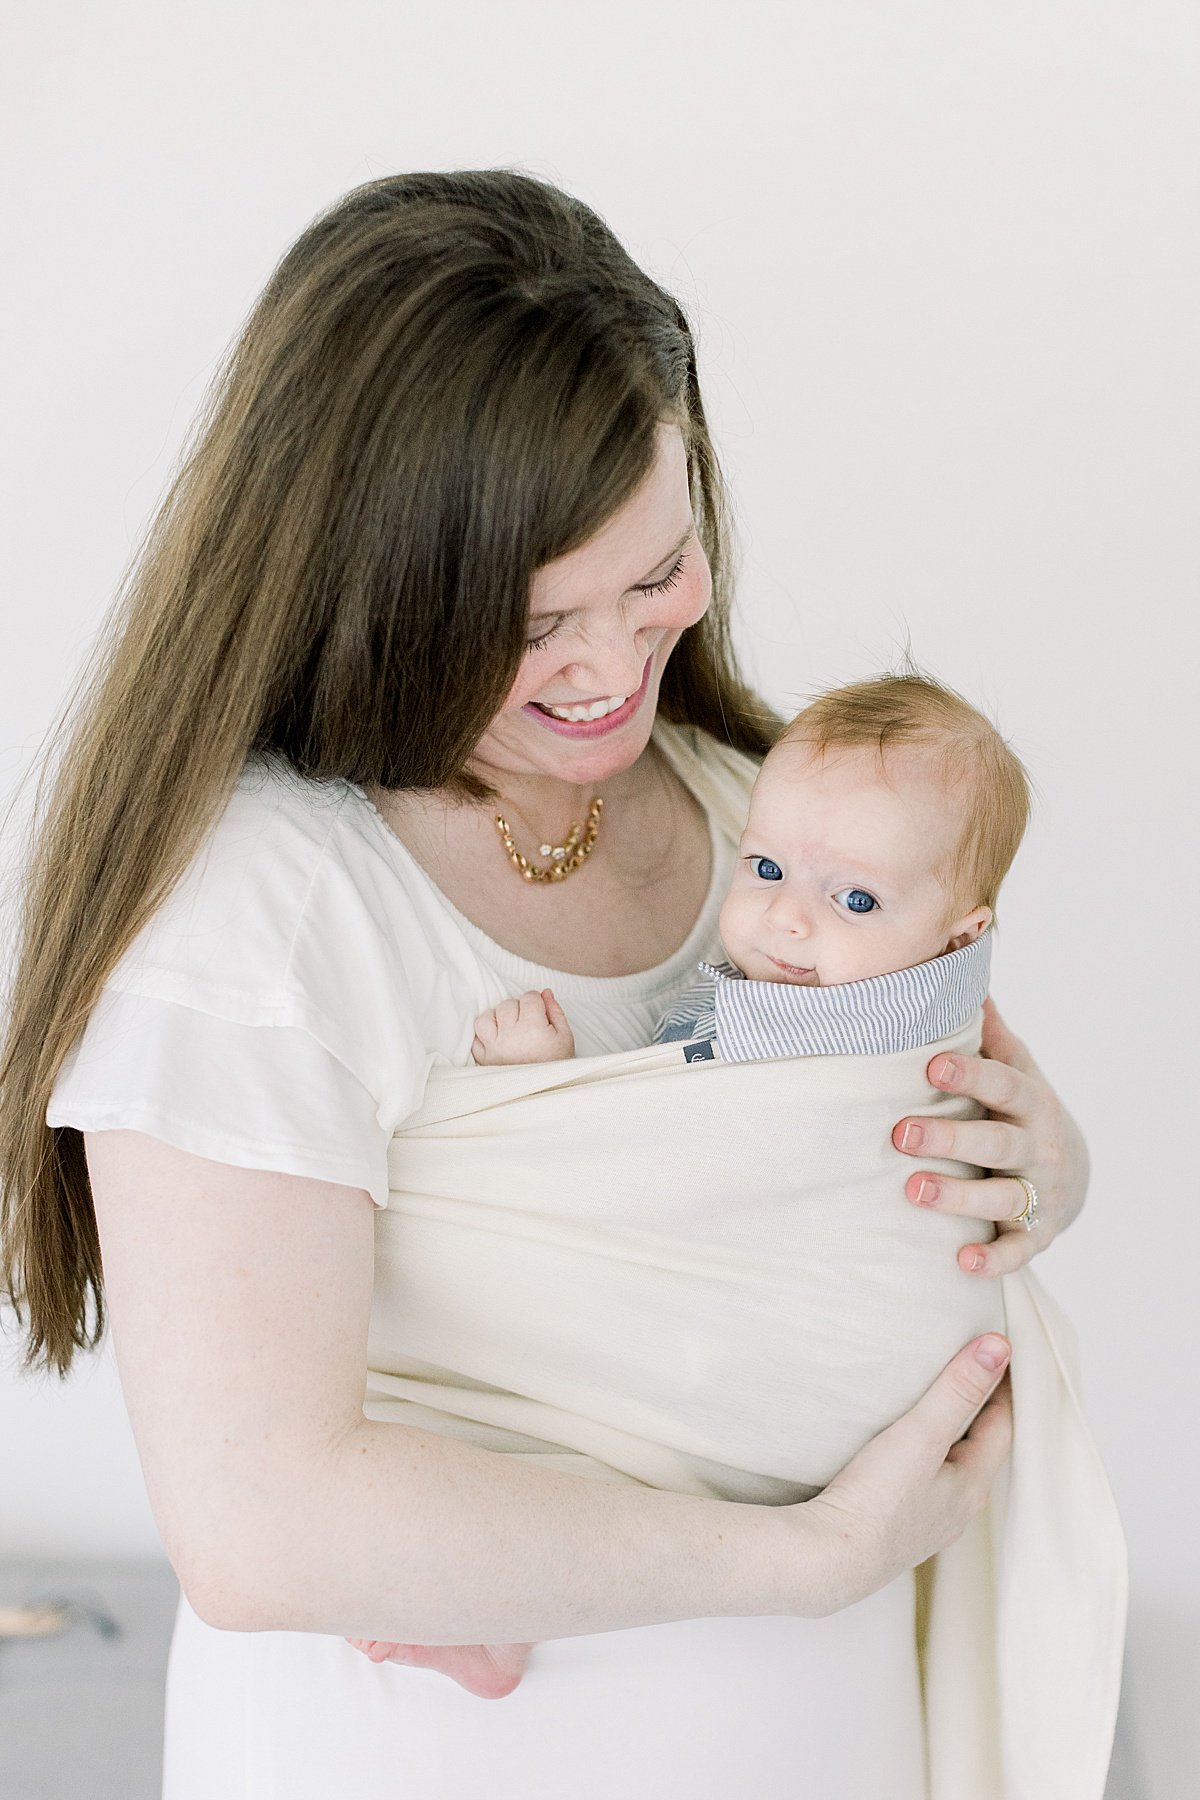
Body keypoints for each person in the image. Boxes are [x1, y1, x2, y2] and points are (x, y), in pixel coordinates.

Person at [0, 170, 1090, 1800]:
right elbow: (263, 1524)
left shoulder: (756, 810)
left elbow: (868, 1189)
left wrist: (1038, 1173)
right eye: (534, 622)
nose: (608, 669)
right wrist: (807, 1554)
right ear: (372, 592)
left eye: (656, 575)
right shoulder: (260, 917)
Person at [467, 669, 1019, 1067]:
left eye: (856, 900)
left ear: (958, 941)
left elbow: (652, 1152)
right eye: (768, 869)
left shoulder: (847, 1046)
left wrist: (535, 1082)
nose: (783, 916)